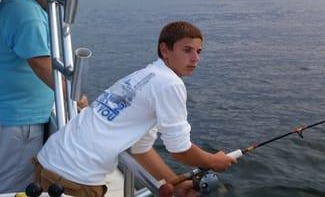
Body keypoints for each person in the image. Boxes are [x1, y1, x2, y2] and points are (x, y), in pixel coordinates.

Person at [37, 21, 236, 197]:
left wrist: (174, 184)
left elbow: (140, 149)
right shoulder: (170, 84)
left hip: (49, 161)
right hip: (74, 179)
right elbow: (179, 151)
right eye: (187, 50)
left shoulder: (144, 76)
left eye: (198, 52)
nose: (195, 58)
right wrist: (213, 161)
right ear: (165, 50)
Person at [0, 0, 56, 193]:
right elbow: (40, 63)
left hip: (14, 116)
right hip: (19, 121)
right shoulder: (27, 13)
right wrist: (72, 95)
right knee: (13, 186)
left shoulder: (15, 7)